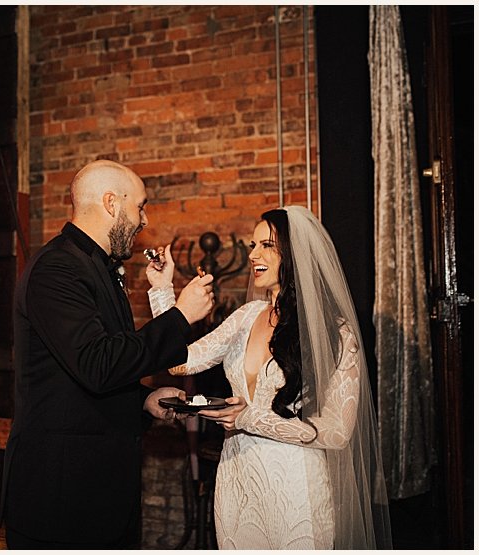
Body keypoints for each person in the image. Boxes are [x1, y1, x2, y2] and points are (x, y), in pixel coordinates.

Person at [146, 206, 391, 548]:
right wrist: (161, 291)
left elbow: (336, 432)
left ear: (294, 253)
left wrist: (249, 417)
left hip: (296, 485)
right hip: (237, 479)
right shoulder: (246, 316)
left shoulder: (334, 331)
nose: (253, 255)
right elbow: (180, 363)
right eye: (252, 245)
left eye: (267, 245)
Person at [1, 160, 216, 549]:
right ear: (112, 203)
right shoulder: (57, 269)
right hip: (62, 500)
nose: (144, 220)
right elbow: (97, 365)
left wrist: (143, 401)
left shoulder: (97, 268)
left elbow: (85, 374)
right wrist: (180, 317)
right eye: (140, 207)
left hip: (100, 496)